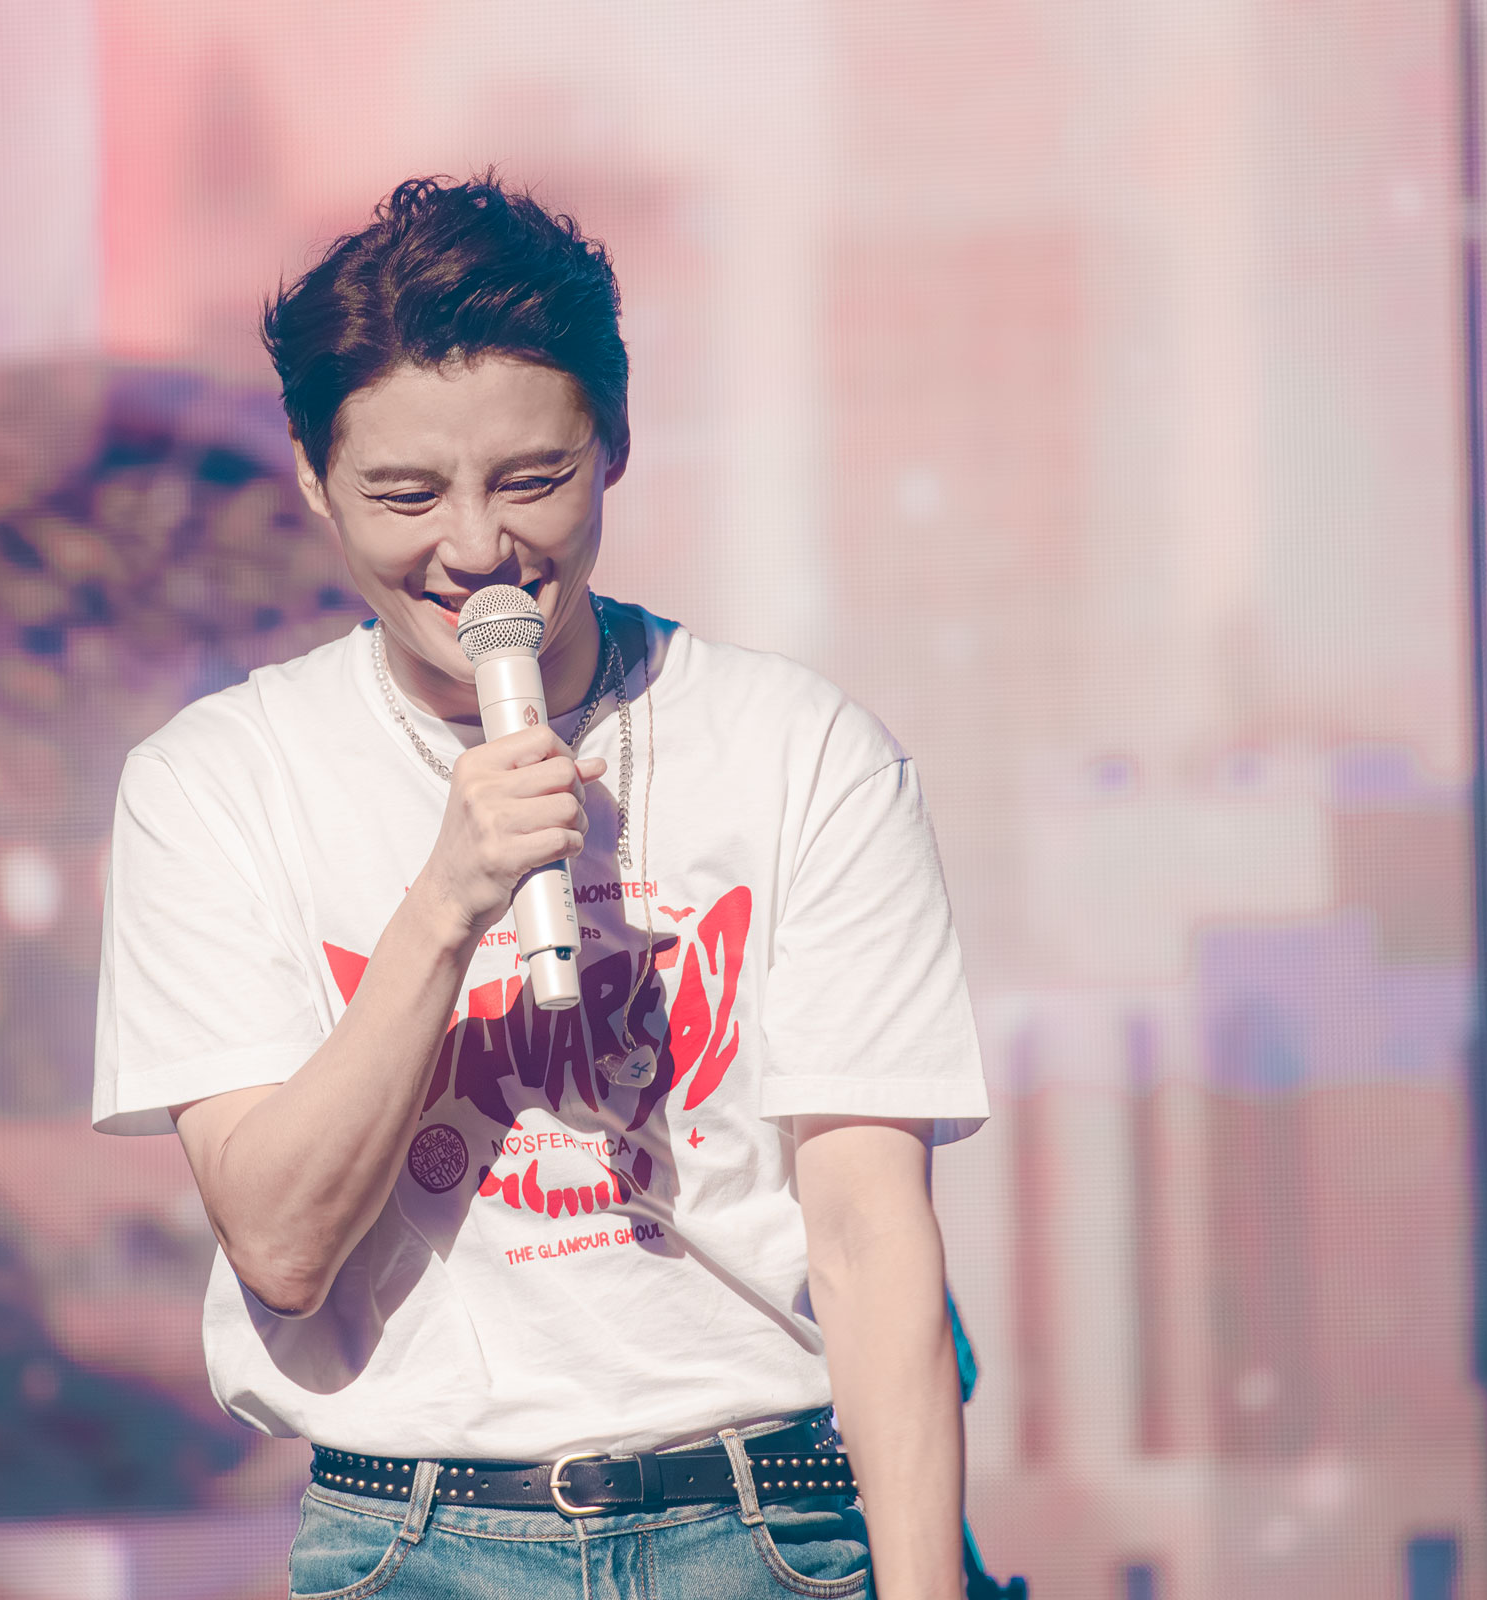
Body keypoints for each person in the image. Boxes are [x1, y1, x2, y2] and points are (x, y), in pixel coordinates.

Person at [92, 172, 991, 1599]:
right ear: (315, 480)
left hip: (765, 1522)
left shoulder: (798, 749)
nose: (476, 550)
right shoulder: (216, 782)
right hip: (410, 1539)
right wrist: (448, 901)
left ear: (613, 446)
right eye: (406, 494)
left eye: (530, 481)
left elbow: (872, 1237)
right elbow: (278, 1242)